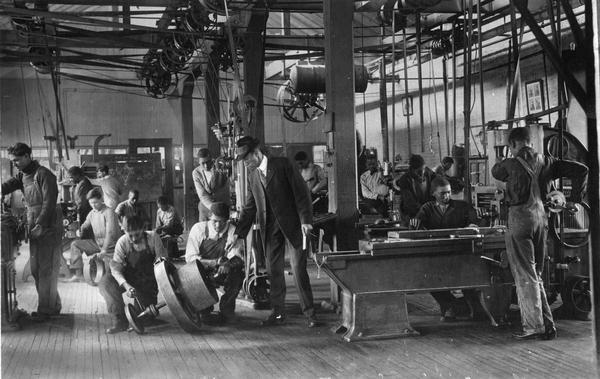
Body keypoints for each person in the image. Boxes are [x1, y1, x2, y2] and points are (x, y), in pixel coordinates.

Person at [492, 127, 588, 340]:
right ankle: (547, 323)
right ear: (530, 142)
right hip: (541, 219)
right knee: (536, 275)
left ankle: (532, 326)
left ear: (514, 145)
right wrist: (574, 199)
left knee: (525, 274)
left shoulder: (510, 163)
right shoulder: (548, 161)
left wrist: (501, 159)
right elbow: (582, 169)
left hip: (519, 219)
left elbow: (496, 172)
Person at [233, 136, 319, 328]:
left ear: (256, 153)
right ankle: (278, 313)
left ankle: (310, 314)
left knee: (298, 269)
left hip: (293, 224)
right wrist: (239, 234)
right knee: (273, 271)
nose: (245, 164)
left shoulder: (283, 165)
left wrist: (306, 221)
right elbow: (249, 207)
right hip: (270, 228)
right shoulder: (253, 176)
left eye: (247, 159)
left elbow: (301, 193)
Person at [2, 142, 62, 321]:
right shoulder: (22, 175)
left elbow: (49, 203)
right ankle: (53, 305)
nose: (15, 164)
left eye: (17, 160)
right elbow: (7, 186)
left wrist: (41, 224)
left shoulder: (44, 175)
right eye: (12, 161)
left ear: (27, 156)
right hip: (35, 226)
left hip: (48, 227)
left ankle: (46, 310)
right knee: (37, 269)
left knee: (47, 270)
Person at [410, 176, 481, 321]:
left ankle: (472, 308)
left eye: (448, 192)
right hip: (437, 253)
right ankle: (450, 305)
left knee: (468, 279)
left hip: (460, 253)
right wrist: (415, 224)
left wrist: (473, 226)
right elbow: (418, 225)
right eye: (442, 193)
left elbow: (474, 223)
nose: (447, 196)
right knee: (430, 279)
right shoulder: (427, 208)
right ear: (433, 194)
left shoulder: (462, 207)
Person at [98, 215, 165, 334]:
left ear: (143, 229)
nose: (134, 239)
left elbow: (162, 261)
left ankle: (145, 315)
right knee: (106, 284)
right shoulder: (122, 242)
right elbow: (116, 270)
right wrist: (127, 286)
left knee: (145, 318)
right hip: (128, 276)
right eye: (130, 235)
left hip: (147, 279)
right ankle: (120, 321)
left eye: (137, 235)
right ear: (125, 231)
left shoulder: (153, 238)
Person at [185, 202, 244, 324]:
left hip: (222, 270)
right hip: (200, 270)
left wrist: (228, 264)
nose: (218, 225)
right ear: (209, 218)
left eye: (222, 221)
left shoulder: (232, 231)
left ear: (227, 220)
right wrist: (213, 263)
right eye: (214, 221)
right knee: (203, 316)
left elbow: (237, 256)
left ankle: (227, 310)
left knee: (238, 274)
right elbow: (190, 258)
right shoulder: (198, 229)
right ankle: (204, 310)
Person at [65, 188, 120, 282]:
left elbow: (110, 233)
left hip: (111, 247)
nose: (93, 205)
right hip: (98, 245)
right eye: (91, 203)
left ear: (101, 200)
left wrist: (104, 250)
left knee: (108, 276)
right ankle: (79, 275)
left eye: (95, 202)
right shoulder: (92, 213)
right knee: (75, 244)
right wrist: (80, 230)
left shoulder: (109, 212)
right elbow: (85, 225)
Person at [395, 154, 436, 222]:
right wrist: (425, 211)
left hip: (428, 213)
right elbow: (409, 202)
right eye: (419, 172)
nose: (422, 175)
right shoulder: (405, 180)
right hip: (411, 214)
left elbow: (440, 181)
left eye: (423, 170)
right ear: (412, 170)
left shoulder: (429, 173)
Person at [192, 148, 231, 221]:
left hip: (221, 205)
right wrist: (212, 207)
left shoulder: (220, 166)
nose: (206, 166)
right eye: (203, 163)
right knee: (204, 229)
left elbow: (226, 184)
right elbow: (202, 194)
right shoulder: (196, 173)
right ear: (198, 162)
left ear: (211, 159)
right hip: (206, 206)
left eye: (208, 162)